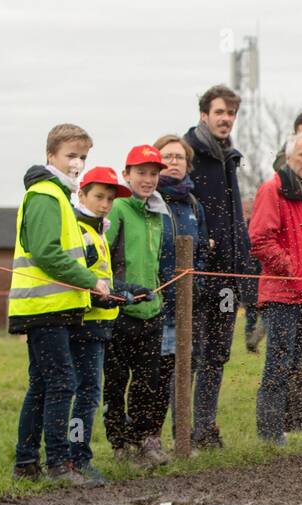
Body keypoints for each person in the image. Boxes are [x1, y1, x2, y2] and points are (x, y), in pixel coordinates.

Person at [8, 123, 106, 486]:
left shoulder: (59, 196)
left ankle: (26, 462)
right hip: (43, 308)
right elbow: (46, 252)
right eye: (70, 155)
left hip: (55, 307)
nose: (77, 163)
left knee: (43, 385)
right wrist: (89, 280)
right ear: (51, 156)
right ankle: (58, 464)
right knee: (63, 383)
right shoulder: (46, 195)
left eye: (82, 156)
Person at [248, 131, 302, 445]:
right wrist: (290, 267)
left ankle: (294, 420)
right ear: (288, 157)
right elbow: (260, 239)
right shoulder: (273, 189)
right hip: (284, 291)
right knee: (279, 363)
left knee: (299, 362)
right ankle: (269, 431)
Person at [184, 85, 253, 449]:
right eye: (220, 112)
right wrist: (201, 242)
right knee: (191, 353)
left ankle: (205, 428)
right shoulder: (188, 153)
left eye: (231, 114)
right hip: (197, 272)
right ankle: (182, 431)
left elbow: (235, 219)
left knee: (217, 354)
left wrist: (244, 264)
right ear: (204, 115)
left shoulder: (230, 157)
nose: (226, 119)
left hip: (228, 276)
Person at [104, 144, 170, 466]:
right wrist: (121, 290)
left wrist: (159, 291)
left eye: (153, 174)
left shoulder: (158, 213)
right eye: (141, 173)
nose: (147, 179)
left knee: (148, 383)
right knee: (116, 382)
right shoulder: (117, 209)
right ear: (126, 174)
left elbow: (157, 259)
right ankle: (119, 446)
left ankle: (143, 440)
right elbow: (104, 258)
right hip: (121, 311)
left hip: (151, 311)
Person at [68, 166, 134, 485]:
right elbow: (78, 280)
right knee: (85, 393)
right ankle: (76, 455)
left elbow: (102, 280)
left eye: (110, 198)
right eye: (98, 196)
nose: (105, 203)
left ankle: (75, 454)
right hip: (83, 325)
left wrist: (126, 289)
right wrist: (108, 298)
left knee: (88, 392)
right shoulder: (80, 231)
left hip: (99, 327)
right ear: (81, 195)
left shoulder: (98, 231)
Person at [154, 133, 212, 442]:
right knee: (157, 374)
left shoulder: (194, 205)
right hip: (155, 302)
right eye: (167, 156)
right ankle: (151, 437)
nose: (173, 162)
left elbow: (202, 248)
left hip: (187, 304)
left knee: (183, 371)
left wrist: (198, 281)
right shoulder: (150, 201)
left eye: (179, 157)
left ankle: (182, 435)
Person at [240, 196, 264, 352]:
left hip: (253, 284)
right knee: (253, 316)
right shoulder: (246, 232)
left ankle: (251, 341)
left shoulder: (251, 230)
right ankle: (251, 342)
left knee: (253, 316)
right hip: (253, 285)